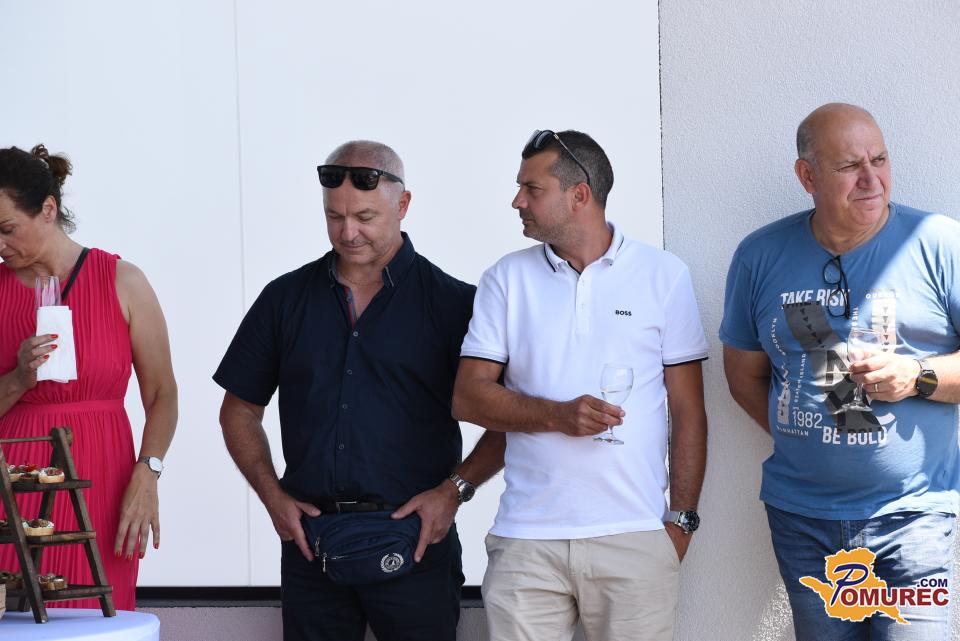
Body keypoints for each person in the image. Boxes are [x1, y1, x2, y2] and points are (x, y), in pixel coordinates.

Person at [215, 140, 502, 641]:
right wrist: (272, 497)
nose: (348, 232)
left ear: (403, 204)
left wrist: (453, 493)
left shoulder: (457, 304)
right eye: (334, 217)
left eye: (365, 217)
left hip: (418, 546)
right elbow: (238, 410)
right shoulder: (284, 298)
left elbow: (511, 418)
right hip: (311, 549)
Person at [452, 130, 709, 641]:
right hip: (526, 542)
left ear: (580, 194)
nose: (517, 201)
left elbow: (688, 411)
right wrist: (557, 415)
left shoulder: (663, 275)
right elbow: (468, 397)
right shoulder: (505, 278)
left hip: (633, 537)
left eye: (531, 188)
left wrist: (680, 522)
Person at [721, 103, 960, 640]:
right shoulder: (760, 256)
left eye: (880, 159)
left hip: (912, 519)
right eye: (850, 165)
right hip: (804, 521)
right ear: (807, 176)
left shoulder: (939, 243)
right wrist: (806, 437)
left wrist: (916, 376)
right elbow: (743, 376)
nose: (871, 179)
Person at [0, 144, 177, 610]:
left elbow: (162, 393)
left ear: (48, 209)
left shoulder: (123, 280)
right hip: (12, 482)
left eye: (7, 229)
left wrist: (148, 472)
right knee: (15, 618)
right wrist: (18, 378)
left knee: (96, 612)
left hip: (103, 479)